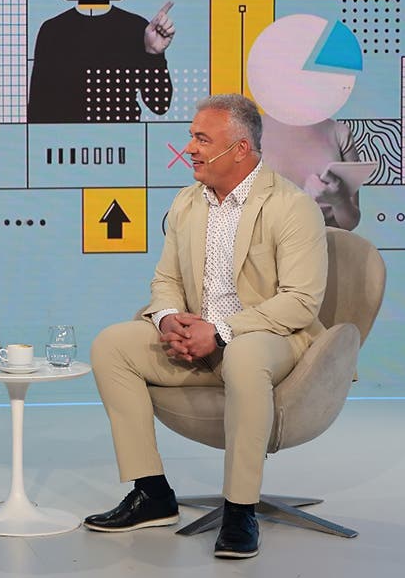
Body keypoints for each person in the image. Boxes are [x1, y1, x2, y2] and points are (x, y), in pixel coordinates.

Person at [85, 93, 327, 559]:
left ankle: (240, 509)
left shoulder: (291, 206)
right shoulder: (187, 202)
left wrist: (219, 332)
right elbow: (166, 280)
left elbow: (300, 302)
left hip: (270, 338)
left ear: (240, 149)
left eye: (202, 139)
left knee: (245, 355)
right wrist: (168, 319)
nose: (190, 148)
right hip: (199, 337)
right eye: (191, 137)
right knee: (112, 345)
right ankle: (152, 493)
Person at [26, 1, 175, 123]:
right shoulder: (53, 29)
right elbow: (37, 109)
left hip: (123, 141)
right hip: (66, 142)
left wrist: (154, 54)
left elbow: (160, 104)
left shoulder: (136, 27)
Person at [261, 116, 363, 230]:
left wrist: (339, 201)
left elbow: (351, 222)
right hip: (274, 238)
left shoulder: (339, 131)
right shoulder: (253, 131)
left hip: (328, 239)